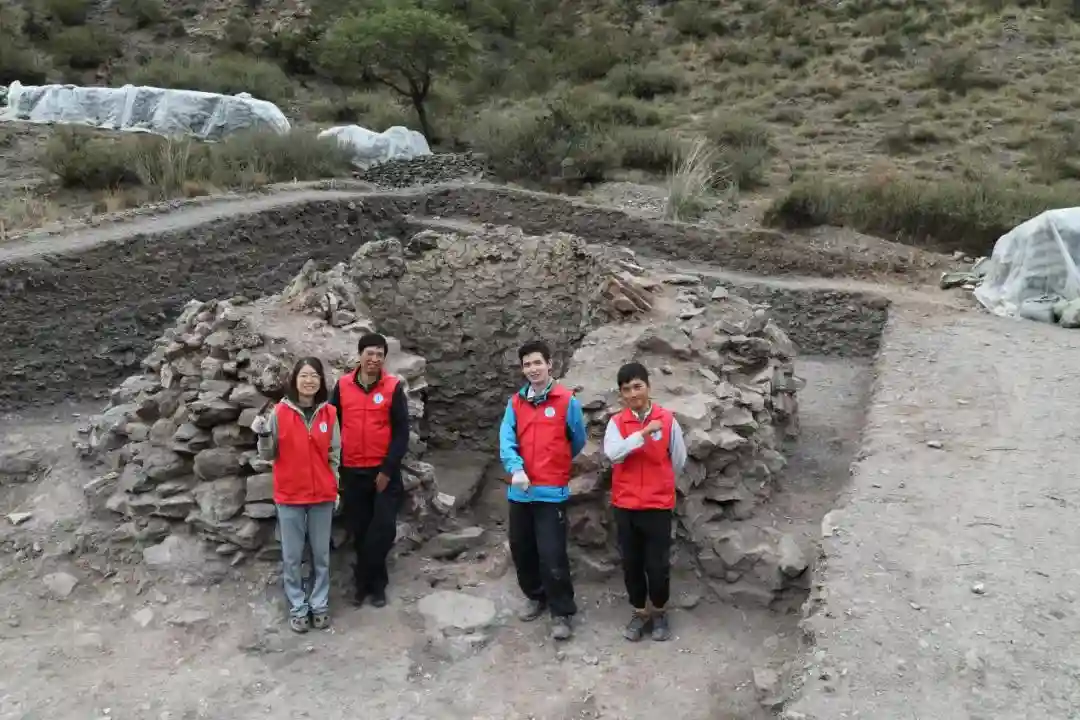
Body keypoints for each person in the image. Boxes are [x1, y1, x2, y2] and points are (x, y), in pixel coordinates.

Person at [499, 340, 588, 641]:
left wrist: (556, 463)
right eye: (527, 364)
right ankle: (536, 595)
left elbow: (577, 440)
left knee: (552, 554)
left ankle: (561, 611)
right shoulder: (515, 403)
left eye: (538, 362)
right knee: (521, 548)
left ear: (550, 364)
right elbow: (506, 439)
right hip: (520, 491)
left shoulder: (566, 401)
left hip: (551, 492)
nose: (533, 369)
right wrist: (516, 468)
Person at [252, 357, 341, 634]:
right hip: (290, 495)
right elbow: (268, 454)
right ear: (295, 380)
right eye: (304, 375)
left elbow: (334, 455)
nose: (309, 381)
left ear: (321, 381)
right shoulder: (279, 412)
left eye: (314, 376)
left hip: (322, 495)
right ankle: (298, 607)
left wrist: (335, 486)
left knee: (321, 555)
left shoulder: (329, 413)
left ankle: (319, 604)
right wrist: (263, 435)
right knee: (291, 557)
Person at [602, 362, 687, 642]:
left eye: (637, 386)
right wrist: (642, 434)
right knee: (632, 563)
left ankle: (659, 611)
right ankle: (640, 612)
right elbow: (614, 454)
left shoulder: (668, 420)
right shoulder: (617, 423)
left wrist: (660, 484)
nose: (633, 393)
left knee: (657, 564)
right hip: (625, 506)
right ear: (621, 394)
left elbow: (678, 459)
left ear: (649, 387)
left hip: (657, 505)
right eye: (626, 389)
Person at [329, 333, 410, 608]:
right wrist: (336, 466)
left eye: (379, 354)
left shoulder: (392, 387)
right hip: (352, 471)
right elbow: (332, 424)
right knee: (360, 530)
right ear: (360, 355)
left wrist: (387, 470)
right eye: (369, 353)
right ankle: (370, 588)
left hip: (383, 472)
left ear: (384, 358)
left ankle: (367, 581)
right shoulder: (342, 386)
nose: (374, 359)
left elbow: (401, 432)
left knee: (383, 530)